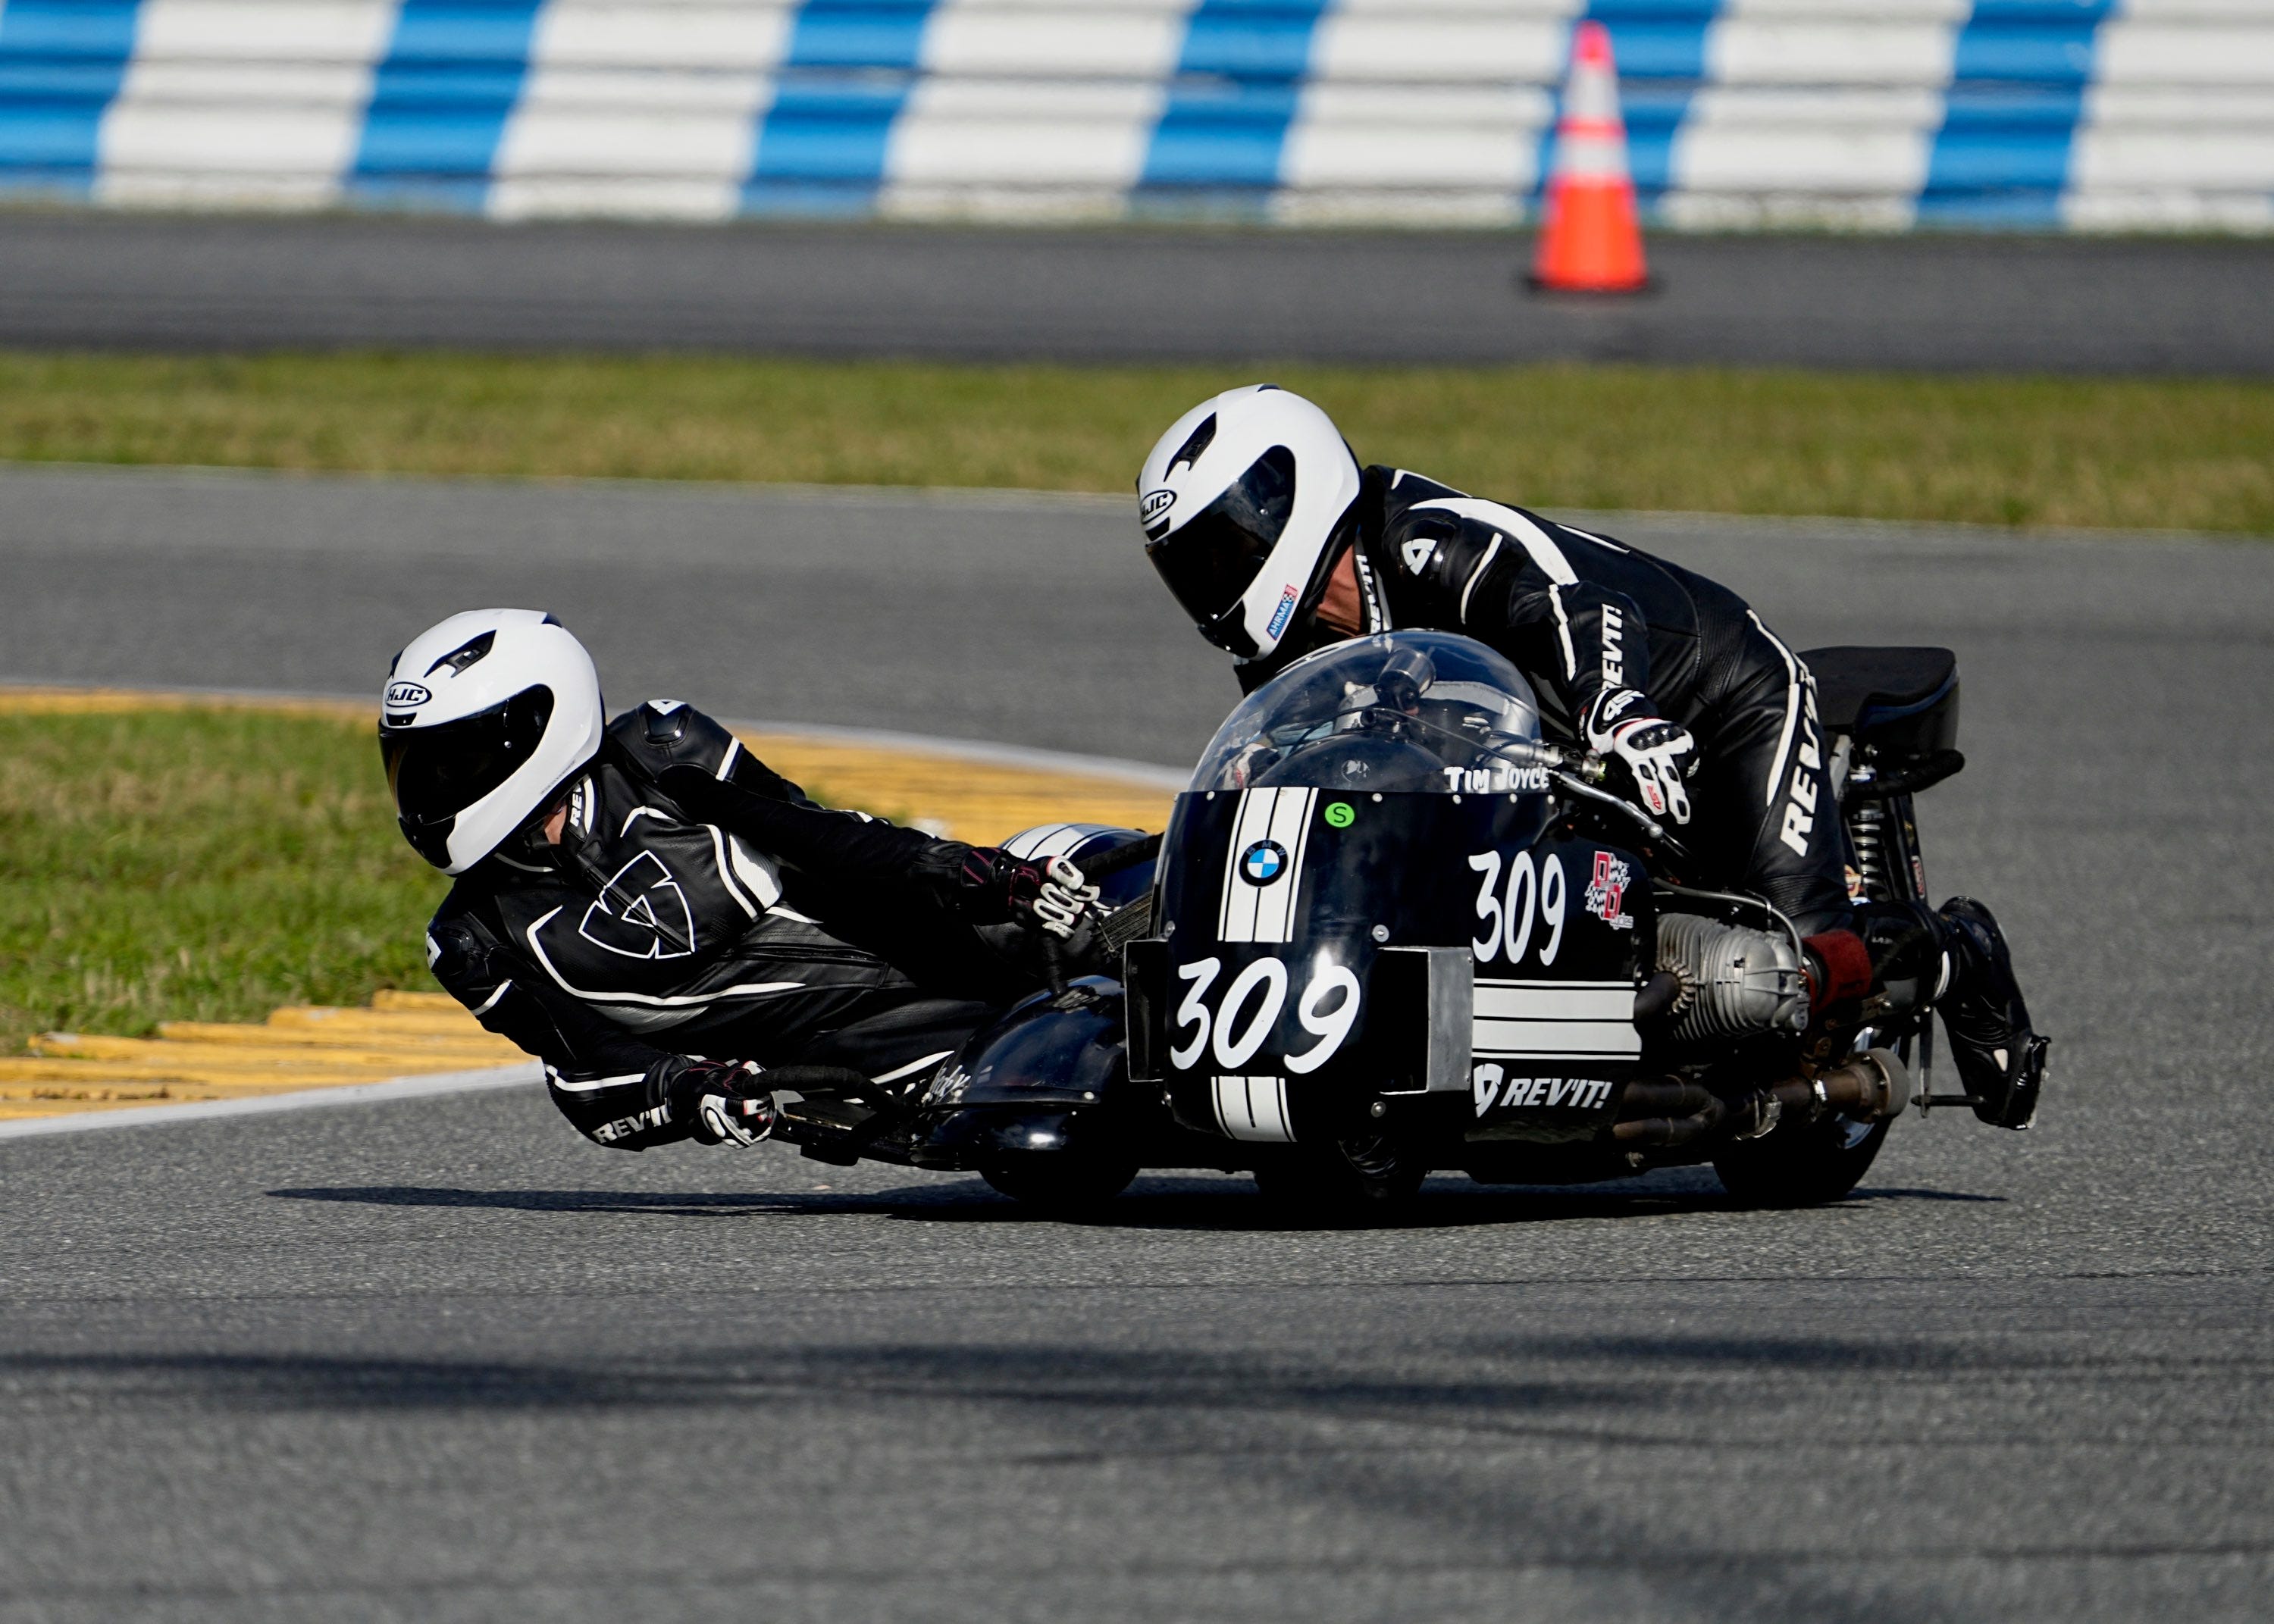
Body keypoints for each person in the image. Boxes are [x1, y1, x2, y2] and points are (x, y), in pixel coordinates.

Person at [1135, 384, 2047, 1128]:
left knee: (1804, 973)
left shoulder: (1431, 535)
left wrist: (1615, 703)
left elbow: (1579, 602)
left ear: (1290, 508)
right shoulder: (1280, 648)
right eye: (1191, 565)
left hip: (1716, 692)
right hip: (1555, 755)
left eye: (1224, 549)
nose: (1211, 582)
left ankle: (1949, 949)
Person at [380, 609, 1097, 1153]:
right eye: (412, 766)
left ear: (542, 723)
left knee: (1088, 883)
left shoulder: (659, 752)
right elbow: (584, 1069)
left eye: (451, 761)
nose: (428, 790)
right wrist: (693, 1093)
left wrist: (972, 873)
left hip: (930, 929)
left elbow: (820, 838)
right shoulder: (472, 938)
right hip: (852, 1057)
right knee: (1026, 1137)